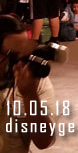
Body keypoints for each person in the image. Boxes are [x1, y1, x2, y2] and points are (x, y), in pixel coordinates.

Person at [0, 15, 57, 152]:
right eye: (13, 54)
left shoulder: (33, 80)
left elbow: (43, 141)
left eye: (25, 53)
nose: (21, 62)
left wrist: (30, 95)